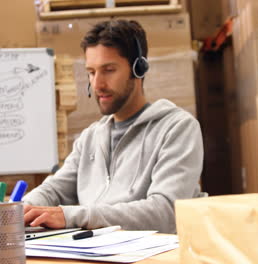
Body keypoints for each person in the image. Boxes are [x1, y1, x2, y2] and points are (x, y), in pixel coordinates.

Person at [22, 19, 204, 234]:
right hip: (94, 253)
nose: (97, 84)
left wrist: (72, 215)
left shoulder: (177, 129)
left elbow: (166, 211)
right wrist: (24, 209)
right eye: (91, 72)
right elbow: (54, 190)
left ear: (138, 68)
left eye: (108, 70)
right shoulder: (90, 137)